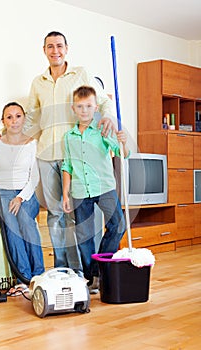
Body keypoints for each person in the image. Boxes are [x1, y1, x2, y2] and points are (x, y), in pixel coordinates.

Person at [0, 31, 116, 276]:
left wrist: (108, 116)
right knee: (55, 214)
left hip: (75, 155)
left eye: (59, 46)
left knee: (78, 214)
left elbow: (101, 102)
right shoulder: (38, 82)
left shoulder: (80, 74)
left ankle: (84, 271)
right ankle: (60, 268)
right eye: (50, 47)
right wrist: (2, 132)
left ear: (66, 48)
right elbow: (30, 117)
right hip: (46, 154)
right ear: (44, 50)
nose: (55, 50)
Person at [62, 86, 129, 294]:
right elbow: (67, 166)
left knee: (118, 226)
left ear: (96, 107)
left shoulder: (103, 129)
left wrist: (123, 142)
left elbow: (122, 153)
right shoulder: (69, 136)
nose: (84, 111)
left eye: (89, 106)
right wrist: (65, 193)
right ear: (74, 108)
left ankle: (100, 267)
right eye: (80, 107)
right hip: (80, 191)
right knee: (84, 235)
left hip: (105, 187)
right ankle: (92, 277)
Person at [0, 102, 44, 295]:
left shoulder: (32, 144)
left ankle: (38, 276)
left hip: (25, 194)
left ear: (24, 118)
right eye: (9, 117)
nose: (14, 121)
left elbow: (34, 177)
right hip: (1, 193)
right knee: (12, 222)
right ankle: (23, 278)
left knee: (24, 219)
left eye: (18, 116)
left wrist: (20, 198)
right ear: (3, 121)